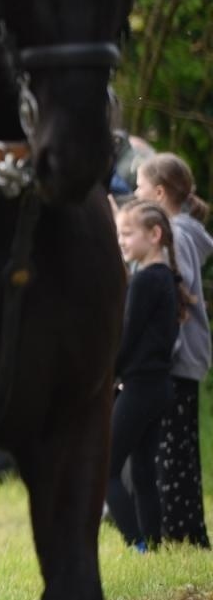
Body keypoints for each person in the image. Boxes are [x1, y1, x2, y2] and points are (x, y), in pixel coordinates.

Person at [107, 200, 195, 551]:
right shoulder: (165, 278)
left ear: (155, 235)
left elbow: (126, 337)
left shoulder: (146, 280)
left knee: (105, 470)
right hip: (159, 387)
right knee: (142, 469)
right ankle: (154, 546)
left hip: (141, 387)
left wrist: (107, 373)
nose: (121, 241)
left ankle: (137, 543)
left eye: (127, 233)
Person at [136, 153, 212, 547]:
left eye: (140, 185)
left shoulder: (176, 236)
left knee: (169, 453)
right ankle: (186, 532)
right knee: (179, 451)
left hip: (176, 358)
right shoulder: (188, 232)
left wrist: (162, 356)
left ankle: (175, 531)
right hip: (186, 358)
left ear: (159, 192)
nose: (135, 192)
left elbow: (174, 303)